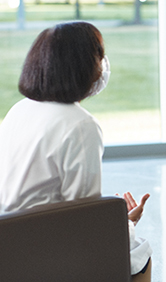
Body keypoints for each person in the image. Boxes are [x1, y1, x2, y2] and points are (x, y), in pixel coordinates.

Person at [0, 22, 153, 282]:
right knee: (139, 254)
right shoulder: (80, 124)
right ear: (82, 65)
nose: (103, 64)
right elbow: (84, 221)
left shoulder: (20, 109)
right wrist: (123, 224)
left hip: (9, 238)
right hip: (41, 247)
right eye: (99, 55)